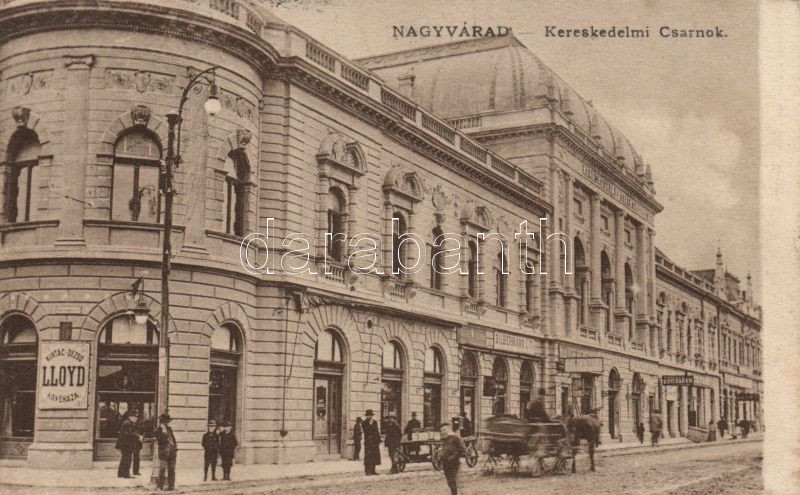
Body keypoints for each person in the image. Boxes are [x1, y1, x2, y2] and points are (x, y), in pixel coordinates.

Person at [439, 422, 467, 495]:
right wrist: (440, 456)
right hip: (445, 463)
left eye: (444, 430)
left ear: (449, 429)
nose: (442, 432)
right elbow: (444, 449)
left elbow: (462, 450)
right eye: (441, 430)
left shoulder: (456, 437)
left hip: (453, 463)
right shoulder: (445, 439)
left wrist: (452, 457)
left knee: (452, 481)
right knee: (449, 482)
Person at [155, 411, 178, 491]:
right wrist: (162, 431)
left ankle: (171, 486)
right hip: (164, 452)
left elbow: (173, 439)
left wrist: (175, 447)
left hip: (172, 452)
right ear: (162, 422)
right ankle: (159, 486)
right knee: (162, 469)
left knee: (172, 469)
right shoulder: (158, 430)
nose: (168, 423)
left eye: (168, 421)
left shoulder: (169, 429)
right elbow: (160, 440)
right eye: (166, 421)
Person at [115, 413, 137, 478]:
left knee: (124, 458)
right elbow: (129, 433)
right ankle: (126, 474)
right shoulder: (127, 423)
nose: (136, 418)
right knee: (127, 459)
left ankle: (121, 474)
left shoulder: (127, 423)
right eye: (134, 417)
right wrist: (138, 436)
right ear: (130, 417)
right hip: (126, 445)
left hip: (125, 444)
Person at [361, 409, 381, 475]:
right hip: (368, 442)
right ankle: (367, 471)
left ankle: (373, 470)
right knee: (368, 456)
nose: (369, 417)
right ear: (366, 416)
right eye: (368, 415)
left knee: (374, 456)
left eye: (370, 415)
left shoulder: (375, 422)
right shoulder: (364, 423)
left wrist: (378, 440)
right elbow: (366, 431)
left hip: (374, 442)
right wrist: (369, 424)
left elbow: (377, 431)